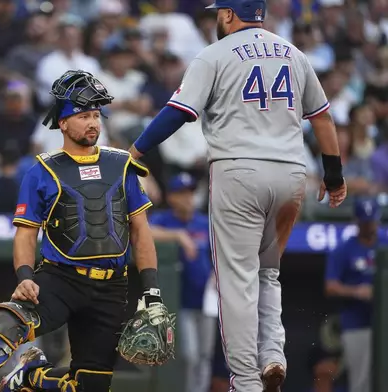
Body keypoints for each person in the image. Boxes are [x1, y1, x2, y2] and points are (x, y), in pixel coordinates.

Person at [126, 0, 348, 391]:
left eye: (218, 11)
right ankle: (273, 354)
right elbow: (323, 118)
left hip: (240, 171)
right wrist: (334, 175)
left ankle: (246, 382)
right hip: (291, 174)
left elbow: (178, 111)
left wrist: (135, 150)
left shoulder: (215, 54)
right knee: (268, 271)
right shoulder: (293, 53)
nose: (216, 17)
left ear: (229, 14)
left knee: (236, 281)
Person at [0, 70, 172, 392]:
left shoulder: (121, 164)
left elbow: (140, 231)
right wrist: (25, 275)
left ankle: (29, 376)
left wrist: (151, 291)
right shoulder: (42, 170)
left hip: (112, 287)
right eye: (83, 115)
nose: (93, 122)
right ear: (63, 123)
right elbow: (25, 234)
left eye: (96, 115)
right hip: (61, 276)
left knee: (90, 387)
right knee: (14, 316)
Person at [149, 173, 216, 392]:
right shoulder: (165, 219)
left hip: (207, 299)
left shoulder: (204, 221)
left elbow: (222, 253)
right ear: (171, 197)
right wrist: (178, 235)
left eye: (190, 193)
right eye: (182, 193)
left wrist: (217, 276)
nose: (188, 198)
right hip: (181, 301)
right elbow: (144, 231)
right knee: (190, 354)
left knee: (205, 356)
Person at [325, 197, 378, 392]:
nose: (369, 225)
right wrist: (357, 291)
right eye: (365, 222)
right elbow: (330, 286)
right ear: (356, 221)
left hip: (383, 324)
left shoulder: (385, 243)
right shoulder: (344, 249)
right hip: (356, 323)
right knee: (361, 382)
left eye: (372, 221)